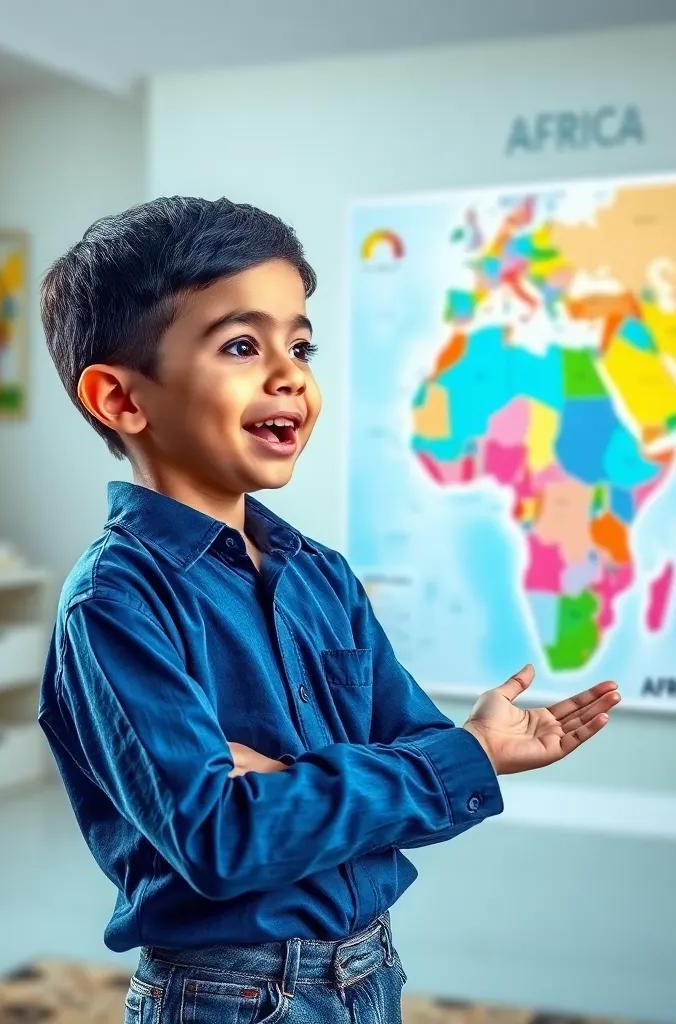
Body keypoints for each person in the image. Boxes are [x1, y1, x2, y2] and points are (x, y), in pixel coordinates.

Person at [36, 197, 621, 1024]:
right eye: (243, 345)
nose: (291, 375)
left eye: (300, 344)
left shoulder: (321, 575)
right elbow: (223, 839)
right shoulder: (114, 602)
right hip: (224, 994)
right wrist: (426, 768)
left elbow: (424, 761)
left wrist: (294, 776)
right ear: (123, 401)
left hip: (371, 968)